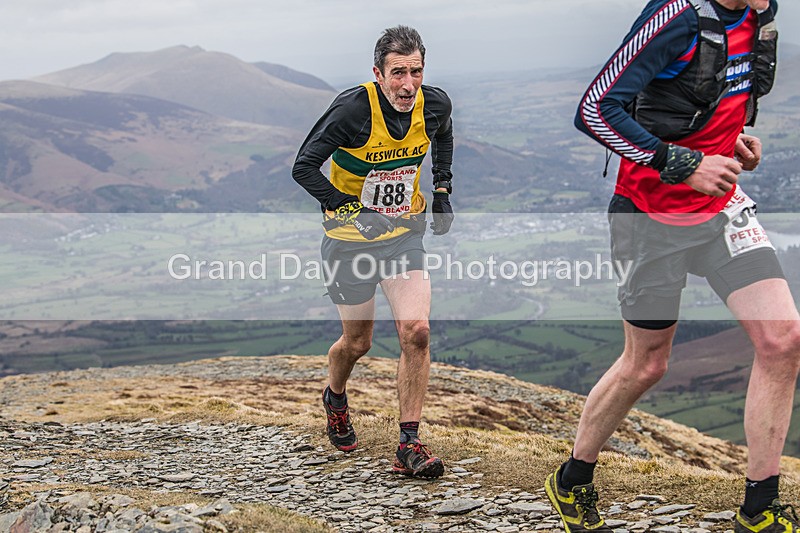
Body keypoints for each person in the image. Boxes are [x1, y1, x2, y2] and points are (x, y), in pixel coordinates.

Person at [545, 0, 800, 531]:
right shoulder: (677, 18)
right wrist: (682, 164)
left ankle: (759, 509)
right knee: (646, 364)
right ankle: (571, 480)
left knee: (783, 341)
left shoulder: (756, 15)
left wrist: (733, 143)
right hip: (650, 217)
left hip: (722, 207)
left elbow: (705, 103)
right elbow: (594, 109)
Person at [292, 25, 454, 479]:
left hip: (403, 234)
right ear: (379, 74)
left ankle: (410, 442)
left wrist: (441, 190)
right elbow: (303, 167)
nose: (408, 84)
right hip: (349, 241)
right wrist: (354, 212)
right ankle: (335, 396)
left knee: (417, 331)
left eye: (416, 72)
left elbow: (445, 136)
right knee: (358, 343)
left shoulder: (435, 102)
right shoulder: (352, 109)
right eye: (398, 73)